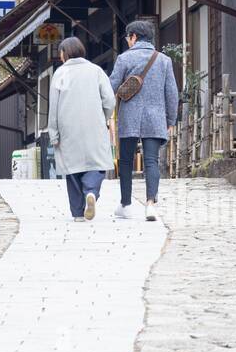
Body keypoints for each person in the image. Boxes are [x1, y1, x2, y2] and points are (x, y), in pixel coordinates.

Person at [109, 20, 179, 221]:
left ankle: (126, 204)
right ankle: (150, 204)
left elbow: (111, 86)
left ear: (133, 37)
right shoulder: (164, 60)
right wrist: (171, 119)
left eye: (128, 37)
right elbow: (172, 93)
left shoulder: (124, 59)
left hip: (129, 115)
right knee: (151, 161)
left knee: (126, 161)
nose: (127, 41)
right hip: (155, 116)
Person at [46, 36, 115, 221]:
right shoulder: (96, 71)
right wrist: (104, 117)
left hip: (68, 128)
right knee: (97, 163)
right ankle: (91, 192)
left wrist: (54, 132)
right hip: (94, 124)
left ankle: (77, 213)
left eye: (61, 52)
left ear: (65, 53)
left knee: (72, 168)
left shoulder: (60, 74)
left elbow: (54, 107)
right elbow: (109, 100)